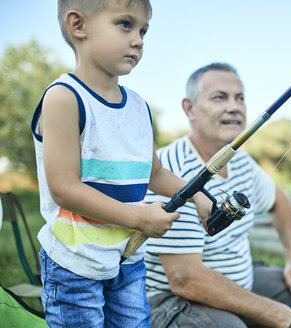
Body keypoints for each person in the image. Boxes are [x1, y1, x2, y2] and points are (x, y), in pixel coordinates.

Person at [30, 1, 211, 327]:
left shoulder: (139, 108)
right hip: (74, 264)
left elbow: (153, 173)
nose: (139, 40)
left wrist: (197, 195)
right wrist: (139, 218)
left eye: (143, 30)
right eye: (125, 25)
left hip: (128, 257)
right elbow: (65, 189)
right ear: (78, 25)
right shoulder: (64, 98)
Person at [144, 63, 291, 328]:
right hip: (169, 299)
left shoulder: (242, 161)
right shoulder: (171, 168)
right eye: (220, 97)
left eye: (240, 98)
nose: (235, 107)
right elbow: (184, 278)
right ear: (189, 108)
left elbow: (279, 202)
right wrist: (283, 317)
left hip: (234, 280)